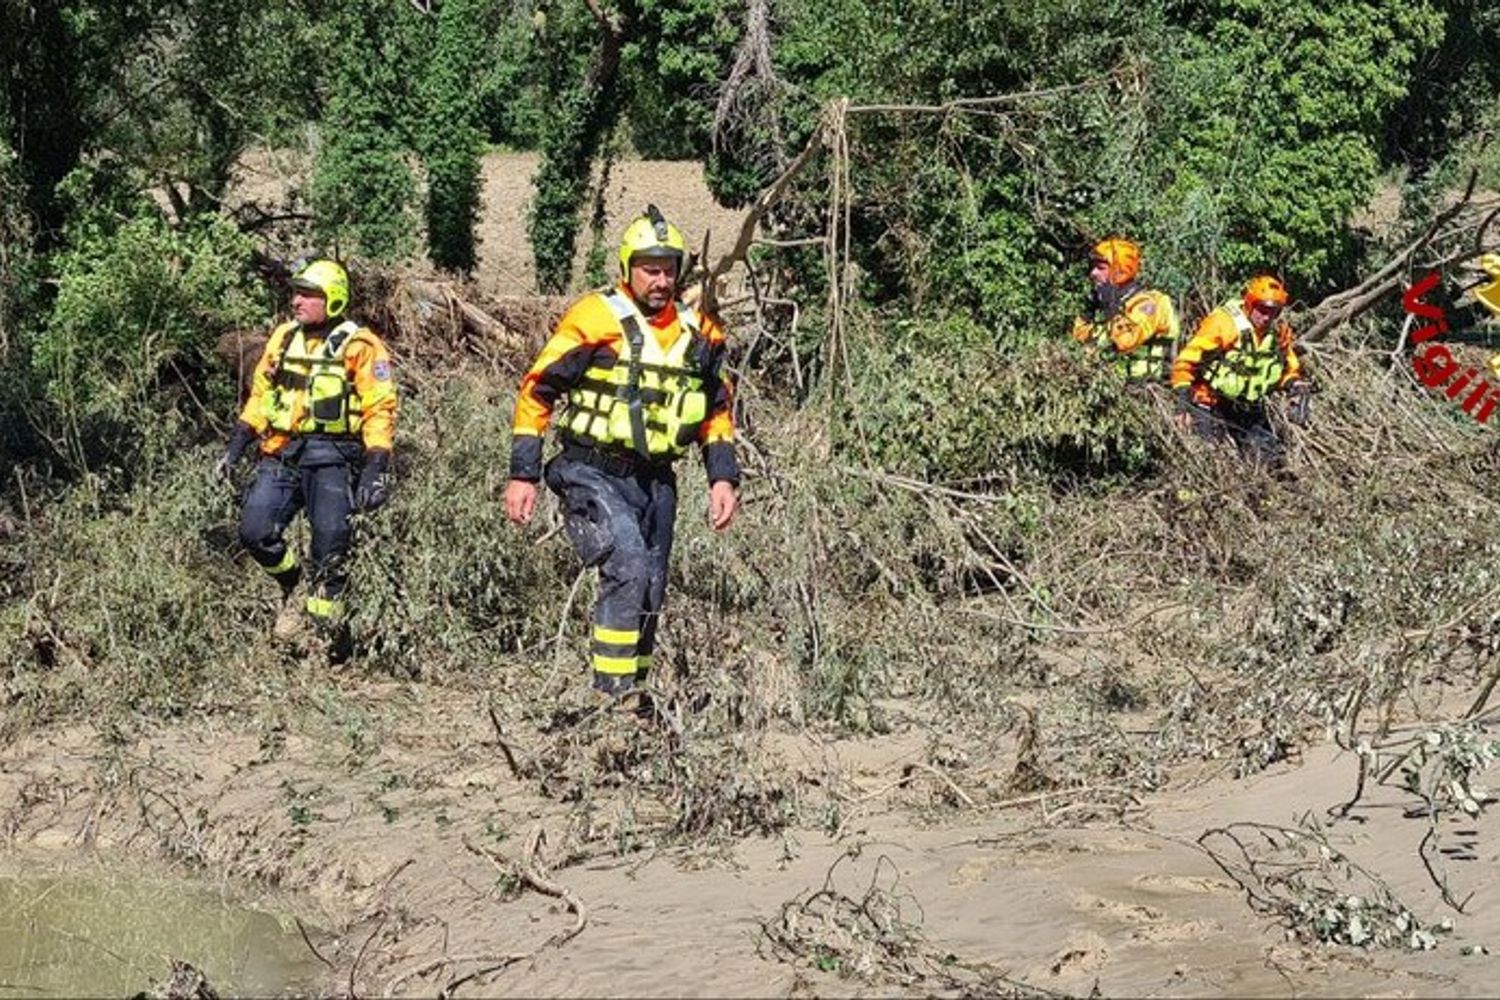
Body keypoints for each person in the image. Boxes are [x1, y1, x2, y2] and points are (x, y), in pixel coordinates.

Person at [504, 205, 740, 700]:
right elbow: (537, 391)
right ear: (628, 267)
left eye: (669, 269)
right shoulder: (596, 317)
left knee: (652, 587)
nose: (660, 279)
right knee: (628, 565)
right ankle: (606, 700)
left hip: (656, 481)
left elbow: (717, 410)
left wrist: (724, 478)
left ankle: (636, 692)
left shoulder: (702, 334)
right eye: (650, 269)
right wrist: (522, 474)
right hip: (590, 470)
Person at [217, 257, 399, 649]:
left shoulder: (361, 345)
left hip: (334, 456)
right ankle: (291, 585)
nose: (297, 300)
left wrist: (376, 467)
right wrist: (237, 444)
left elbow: (379, 408)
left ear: (332, 300)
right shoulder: (283, 337)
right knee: (255, 530)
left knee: (331, 546)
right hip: (281, 452)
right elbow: (261, 396)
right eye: (295, 293)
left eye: (307, 295)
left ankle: (324, 638)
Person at [1171, 274, 1309, 465]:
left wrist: (1296, 385)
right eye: (1262, 309)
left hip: (1247, 405)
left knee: (1272, 462)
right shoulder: (1223, 323)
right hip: (1210, 399)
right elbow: (1186, 362)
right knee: (1210, 461)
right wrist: (1182, 403)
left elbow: (1288, 368)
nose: (1267, 316)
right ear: (1250, 303)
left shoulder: (1279, 333)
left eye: (1274, 311)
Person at [1071, 237, 1180, 381]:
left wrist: (1110, 307)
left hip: (1141, 390)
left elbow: (1126, 341)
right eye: (1093, 267)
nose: (1093, 273)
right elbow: (1078, 339)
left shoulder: (1149, 303)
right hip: (1103, 385)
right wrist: (1087, 313)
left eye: (1101, 268)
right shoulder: (1108, 301)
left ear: (1121, 270)